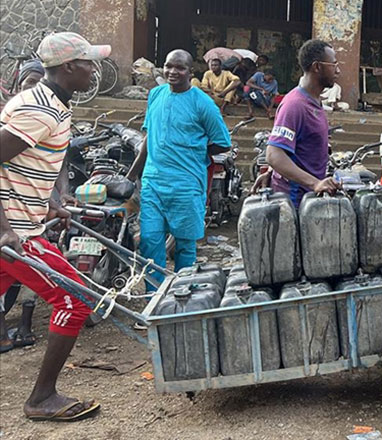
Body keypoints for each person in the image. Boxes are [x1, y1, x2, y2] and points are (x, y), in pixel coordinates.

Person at [0, 32, 109, 421]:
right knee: (75, 299)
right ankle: (41, 398)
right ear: (68, 67)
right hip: (14, 233)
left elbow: (17, 164)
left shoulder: (54, 104)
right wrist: (4, 228)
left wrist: (48, 202)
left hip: (22, 223)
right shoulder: (39, 110)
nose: (94, 70)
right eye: (88, 63)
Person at [126, 50, 231, 290]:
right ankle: (153, 297)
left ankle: (182, 297)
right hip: (153, 183)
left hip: (186, 185)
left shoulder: (203, 103)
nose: (172, 72)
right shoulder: (156, 95)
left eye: (180, 68)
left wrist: (195, 153)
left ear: (190, 73)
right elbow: (148, 137)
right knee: (150, 241)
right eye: (168, 66)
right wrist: (131, 175)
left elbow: (223, 142)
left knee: (185, 245)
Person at [0, 59, 47, 354]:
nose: (35, 89)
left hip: (28, 214)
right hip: (10, 214)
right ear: (17, 86)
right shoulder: (12, 119)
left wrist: (55, 201)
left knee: (27, 268)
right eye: (30, 83)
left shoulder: (41, 116)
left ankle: (24, 327)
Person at [263, 39, 341, 207]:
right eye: (333, 65)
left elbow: (291, 146)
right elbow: (274, 154)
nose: (338, 70)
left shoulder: (315, 101)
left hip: (309, 201)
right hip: (295, 202)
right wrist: (315, 183)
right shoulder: (295, 105)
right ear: (317, 67)